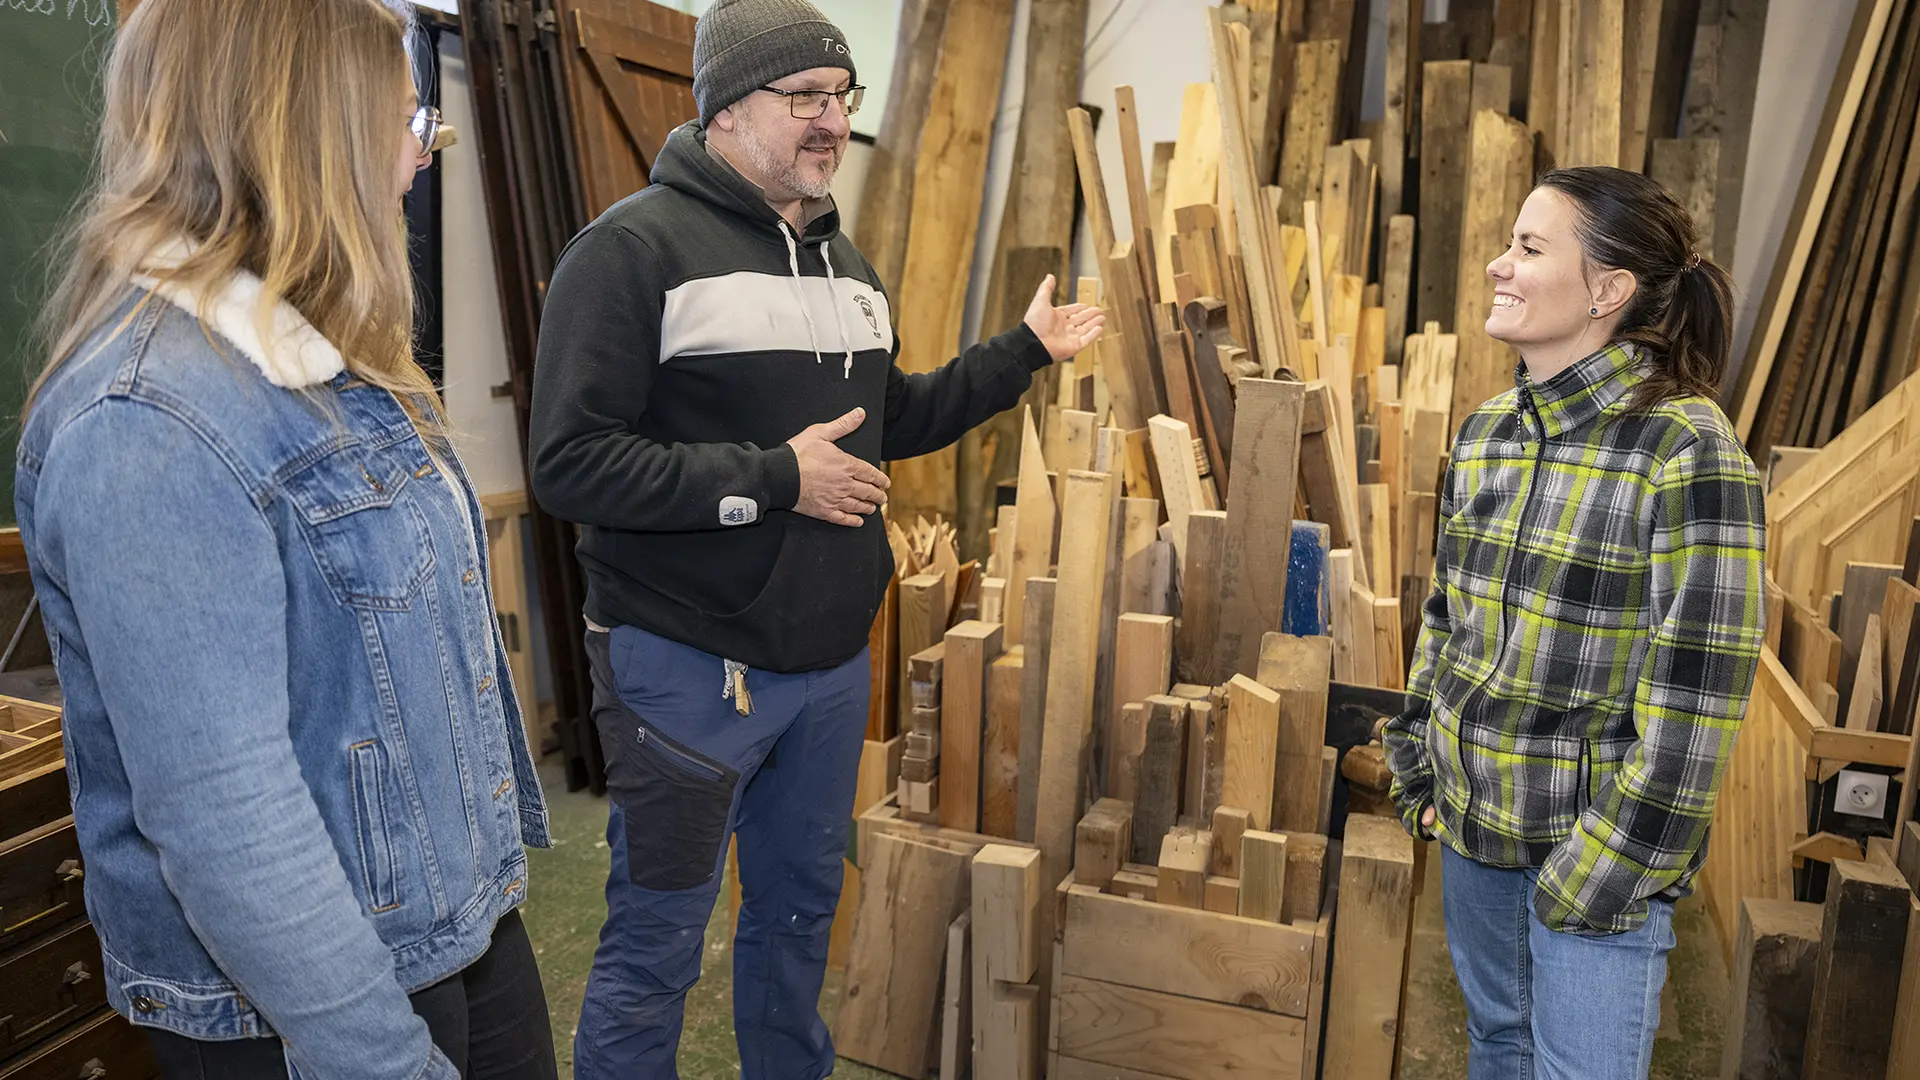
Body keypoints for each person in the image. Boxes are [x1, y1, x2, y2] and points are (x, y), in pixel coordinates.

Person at [526, 0, 1103, 1073]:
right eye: (805, 99)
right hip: (689, 663)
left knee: (795, 928)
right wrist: (774, 478)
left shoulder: (848, 267)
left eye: (842, 99)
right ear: (727, 112)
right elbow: (569, 465)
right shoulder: (628, 253)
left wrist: (1022, 349)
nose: (831, 122)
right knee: (657, 944)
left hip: (830, 664)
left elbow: (901, 421)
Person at [16, 2, 556, 1077]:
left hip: (456, 931)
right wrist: (379, 1055)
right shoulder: (150, 425)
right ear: (303, 137)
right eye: (404, 119)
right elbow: (226, 817)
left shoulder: (335, 357)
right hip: (305, 1008)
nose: (417, 155)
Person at [1382, 166, 1767, 1079]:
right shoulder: (1487, 434)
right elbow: (1446, 620)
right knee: (1497, 1048)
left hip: (1596, 859)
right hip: (1471, 834)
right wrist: (1419, 762)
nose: (1495, 265)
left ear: (1607, 290)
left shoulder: (1684, 451)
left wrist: (1602, 868)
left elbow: (1697, 705)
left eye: (1528, 247)